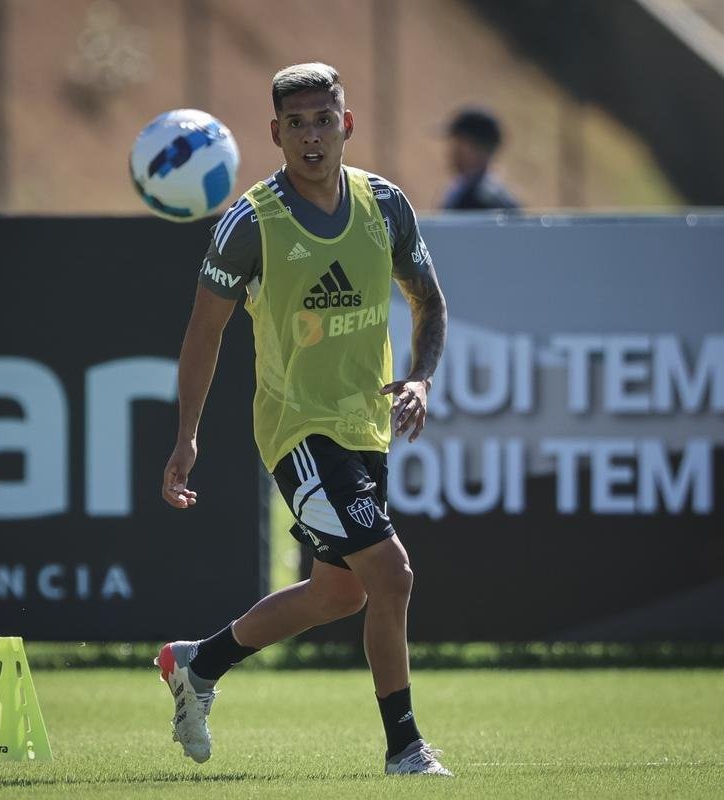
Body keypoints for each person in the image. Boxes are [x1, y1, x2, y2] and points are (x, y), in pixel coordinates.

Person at [157, 62, 451, 778]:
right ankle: (406, 748)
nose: (312, 135)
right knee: (393, 575)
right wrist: (187, 434)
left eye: (324, 119)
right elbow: (205, 332)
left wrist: (421, 378)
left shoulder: (385, 204)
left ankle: (197, 663)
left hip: (365, 426)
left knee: (339, 592)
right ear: (274, 133)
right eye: (297, 123)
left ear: (346, 124)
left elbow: (430, 304)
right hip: (298, 430)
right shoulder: (251, 224)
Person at [441, 106, 519, 211]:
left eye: (460, 144)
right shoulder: (463, 191)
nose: (453, 152)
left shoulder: (483, 200)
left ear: (479, 149)